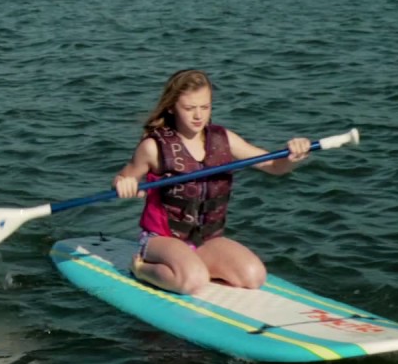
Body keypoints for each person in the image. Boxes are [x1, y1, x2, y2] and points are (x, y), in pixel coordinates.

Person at [111, 69, 311, 295]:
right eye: (189, 108)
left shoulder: (223, 139)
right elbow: (124, 177)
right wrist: (124, 184)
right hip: (161, 238)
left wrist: (293, 157)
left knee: (254, 276)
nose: (198, 116)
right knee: (192, 281)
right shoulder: (153, 147)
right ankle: (141, 269)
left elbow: (275, 167)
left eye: (204, 107)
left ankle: (191, 263)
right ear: (171, 107)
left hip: (205, 239)